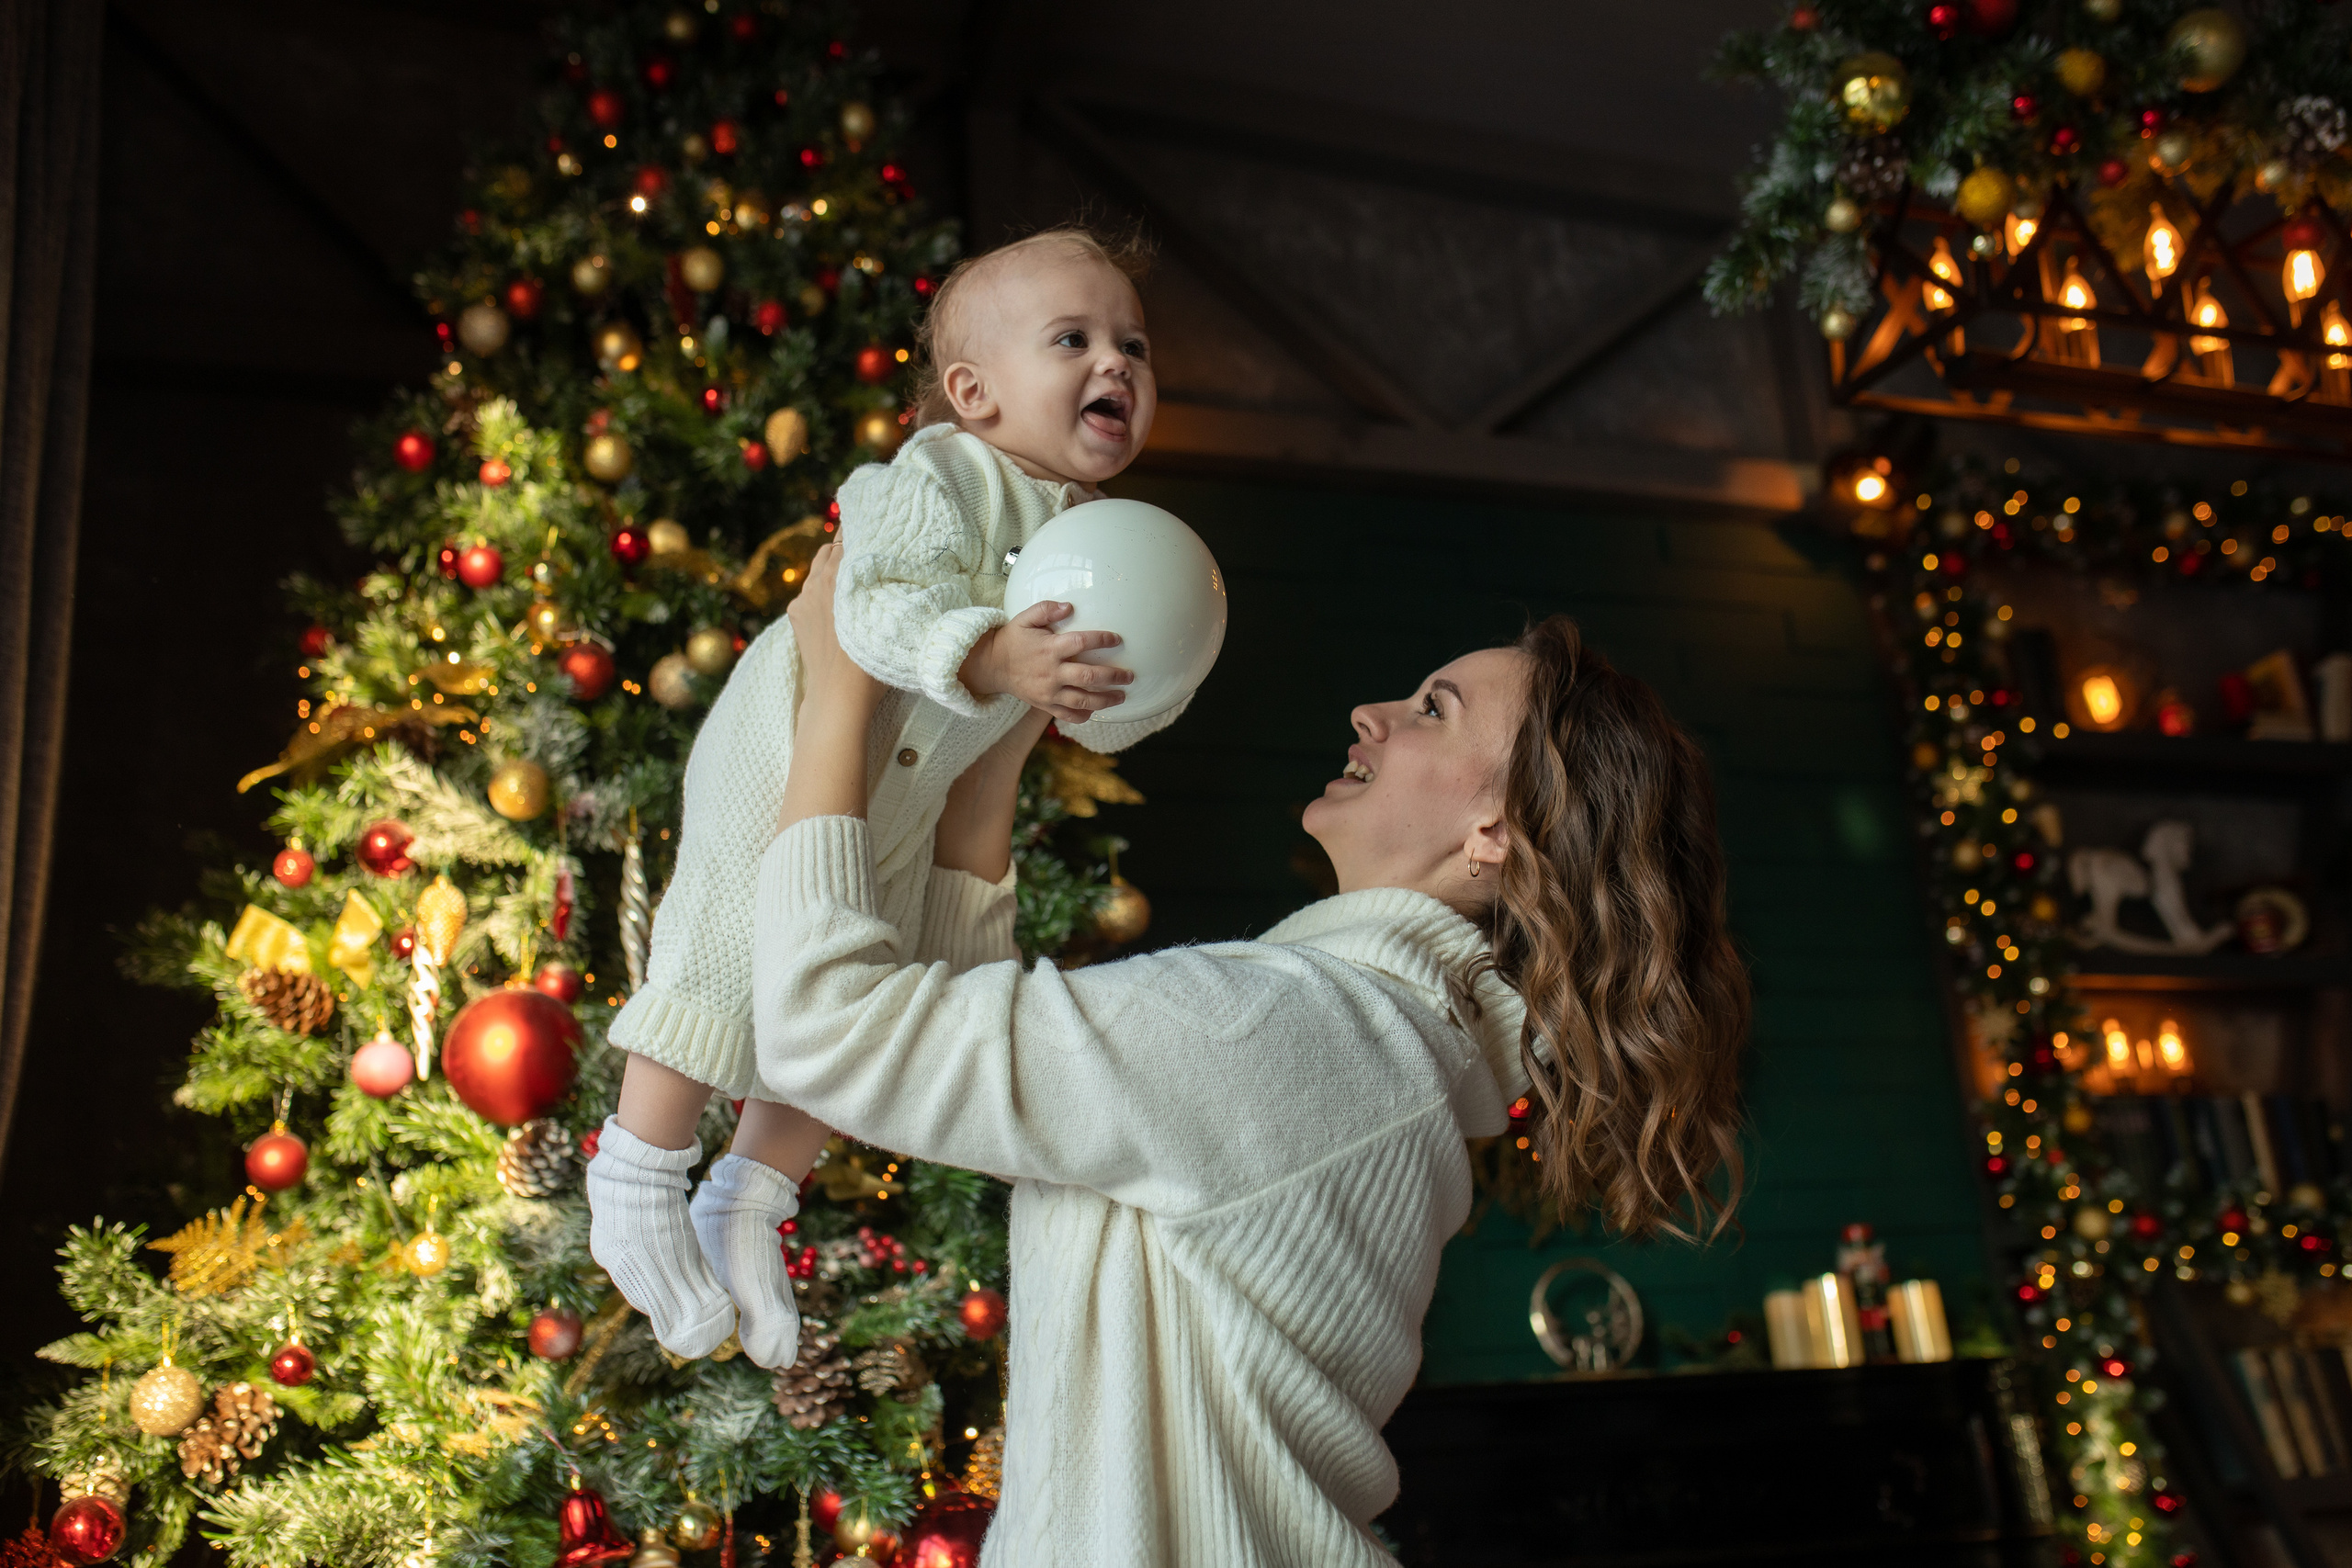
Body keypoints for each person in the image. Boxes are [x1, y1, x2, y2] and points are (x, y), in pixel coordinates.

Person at [751, 543, 1751, 1565]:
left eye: (1433, 710)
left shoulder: (1291, 1030)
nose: (1373, 713)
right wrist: (997, 752)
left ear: (1494, 828)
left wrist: (837, 695)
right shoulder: (1378, 1051)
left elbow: (822, 1029)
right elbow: (1000, 1093)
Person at [586, 223, 1185, 1370]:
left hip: (914, 804)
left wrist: (1136, 683)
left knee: (874, 986)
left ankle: (751, 1196)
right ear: (974, 393)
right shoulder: (935, 476)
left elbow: (1102, 706)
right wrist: (1001, 657)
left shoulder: (1103, 539)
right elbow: (880, 605)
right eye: (1074, 340)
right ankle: (638, 1170)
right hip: (794, 748)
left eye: (1133, 345)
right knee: (723, 946)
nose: (1116, 364)